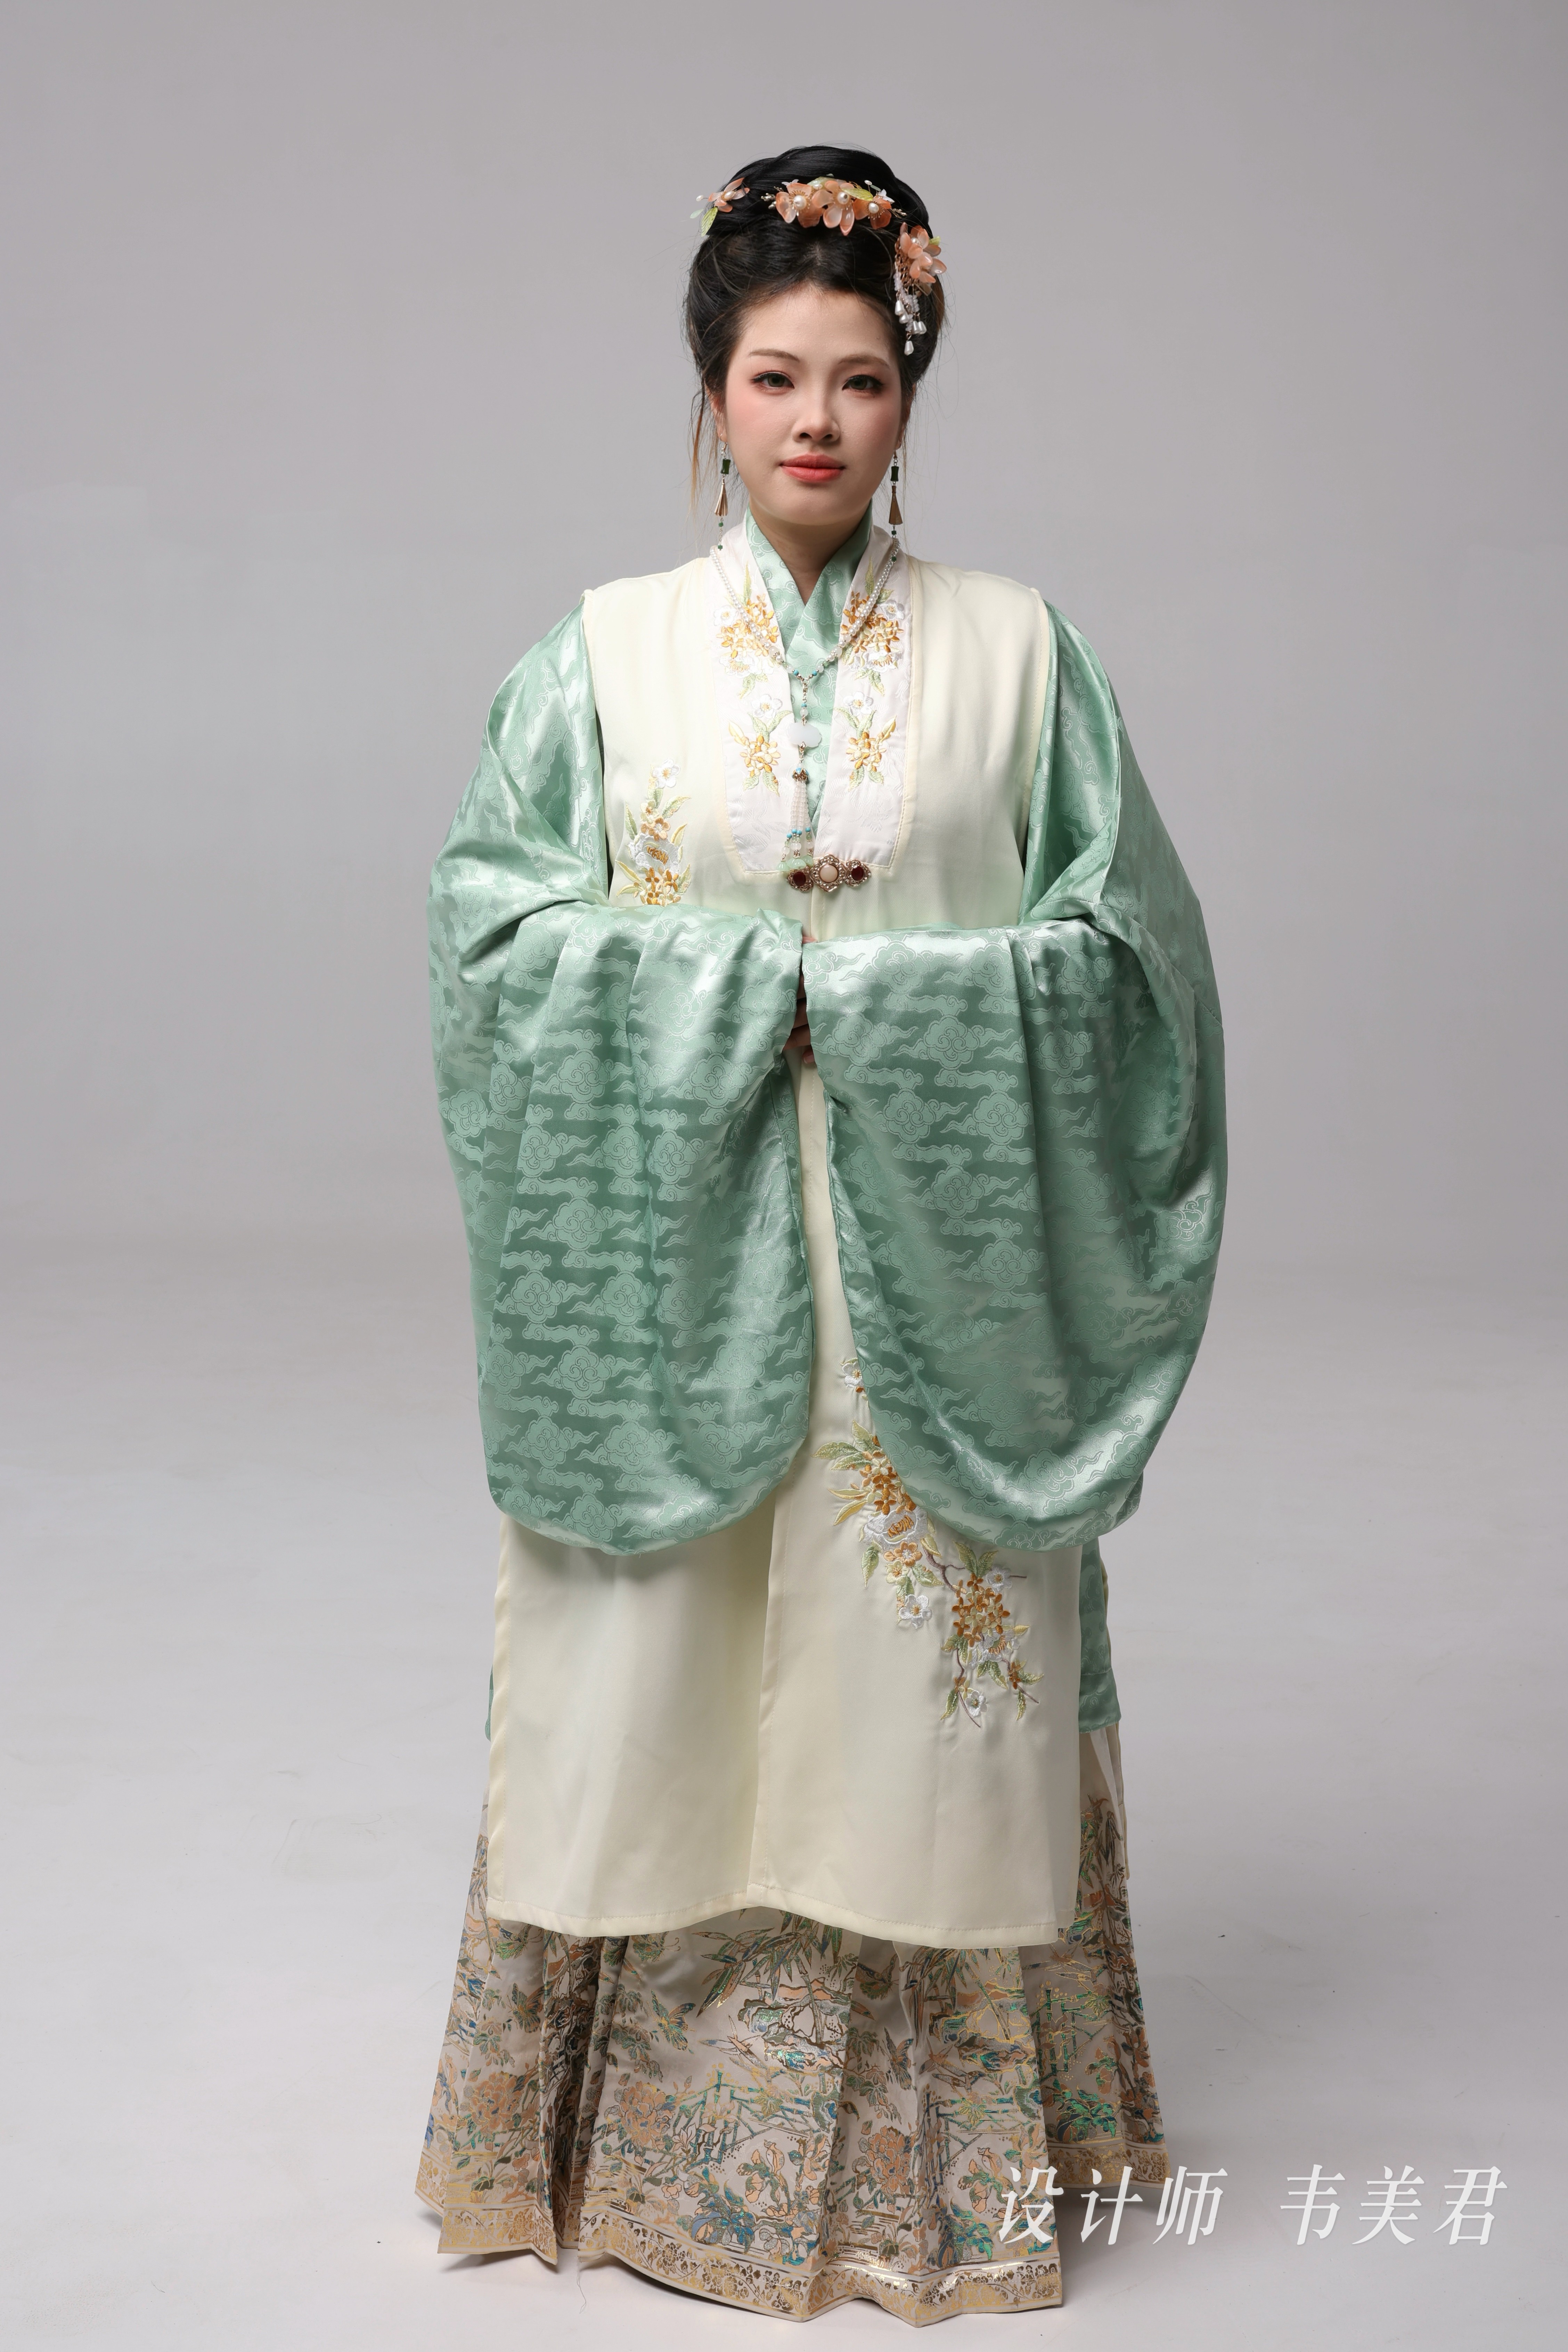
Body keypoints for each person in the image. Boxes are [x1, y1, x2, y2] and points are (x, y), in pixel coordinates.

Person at [416, 144, 1225, 2323]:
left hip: (931, 1283)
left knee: (914, 1702)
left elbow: (1134, 963)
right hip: (670, 1274)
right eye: (775, 375)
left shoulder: (1022, 657)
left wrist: (886, 1010)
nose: (816, 421)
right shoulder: (598, 659)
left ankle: (940, 2171)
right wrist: (742, 989)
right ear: (711, 387)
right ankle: (642, 2154)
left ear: (910, 397)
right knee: (660, 1676)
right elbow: (492, 941)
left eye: (862, 379)